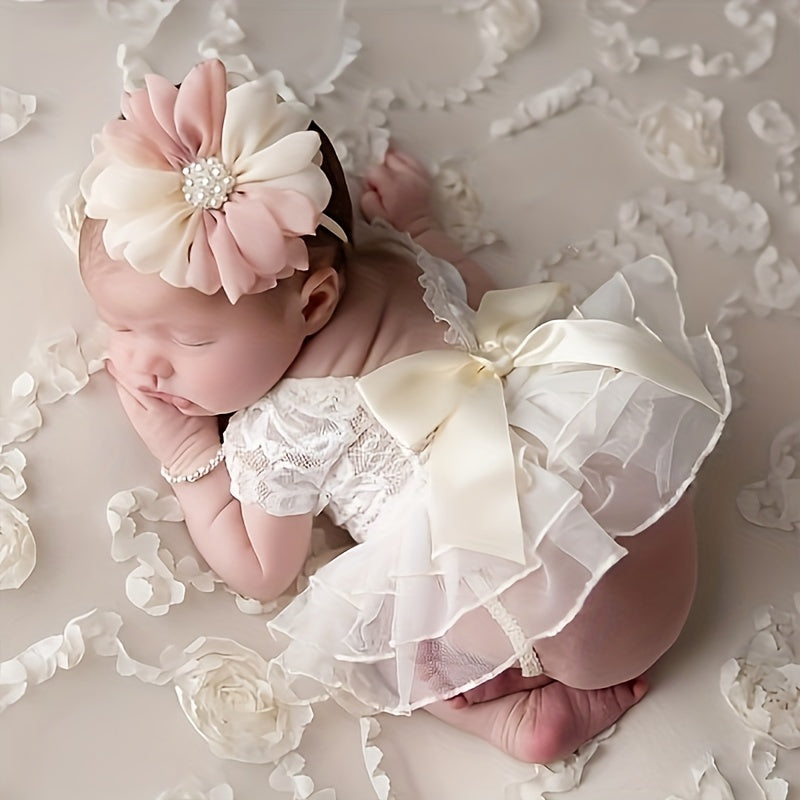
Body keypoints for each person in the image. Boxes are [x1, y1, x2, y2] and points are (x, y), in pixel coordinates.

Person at [78, 59, 729, 764]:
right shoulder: (399, 260)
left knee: (392, 644)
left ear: (317, 301)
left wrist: (187, 455)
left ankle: (516, 716)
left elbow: (261, 570)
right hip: (648, 536)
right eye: (119, 326)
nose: (145, 364)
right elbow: (487, 298)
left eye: (188, 339)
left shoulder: (284, 425)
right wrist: (419, 221)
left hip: (531, 624)